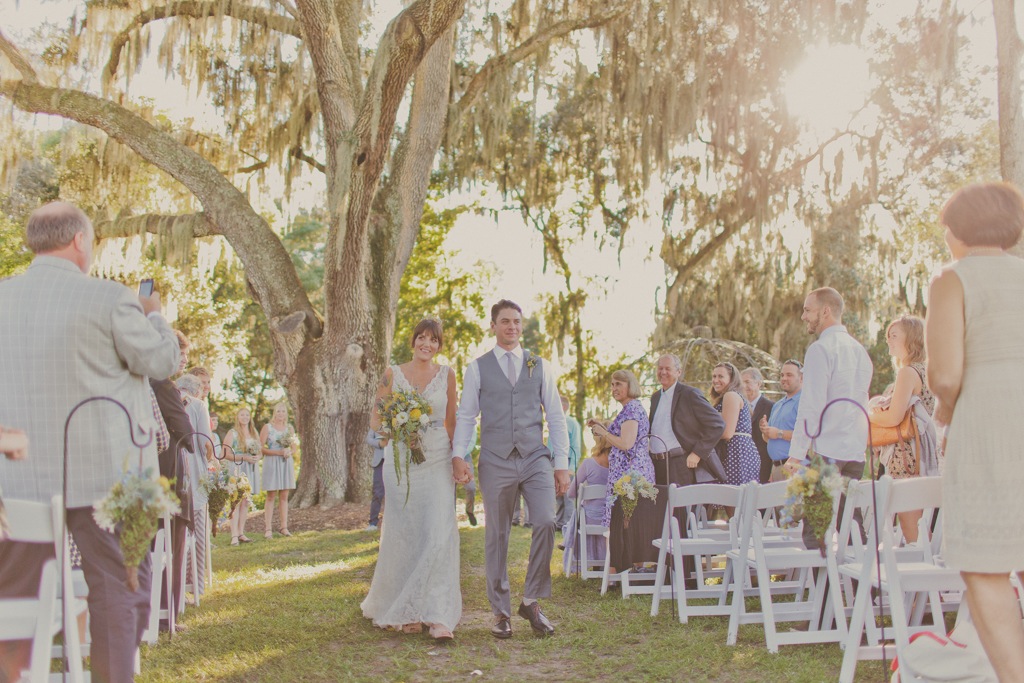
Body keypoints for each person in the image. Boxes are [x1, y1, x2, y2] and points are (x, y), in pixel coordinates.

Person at [0, 201, 180, 683]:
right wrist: (156, 316)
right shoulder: (109, 298)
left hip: (14, 482)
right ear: (80, 240)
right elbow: (161, 363)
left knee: (12, 602)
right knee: (119, 593)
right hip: (107, 478)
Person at [925, 182, 1024, 681]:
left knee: (986, 563)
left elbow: (945, 376)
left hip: (987, 423)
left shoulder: (953, 280)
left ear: (958, 230)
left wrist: (943, 413)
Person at [452, 299, 569, 639]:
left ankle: (531, 600)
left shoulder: (540, 365)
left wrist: (561, 464)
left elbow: (556, 418)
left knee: (547, 520)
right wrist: (460, 454)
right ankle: (501, 612)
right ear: (493, 326)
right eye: (505, 321)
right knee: (498, 535)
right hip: (495, 458)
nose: (512, 327)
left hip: (535, 457)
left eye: (517, 321)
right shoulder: (478, 368)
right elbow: (466, 416)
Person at [362, 317, 462, 642]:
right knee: (405, 533)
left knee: (439, 531)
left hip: (436, 458)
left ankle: (438, 616)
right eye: (421, 338)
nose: (426, 344)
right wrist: (397, 429)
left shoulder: (448, 375)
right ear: (413, 340)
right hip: (401, 459)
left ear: (439, 345)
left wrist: (459, 459)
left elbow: (450, 423)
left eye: (433, 340)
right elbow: (376, 416)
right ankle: (406, 610)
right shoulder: (392, 373)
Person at [784, 287, 873, 550]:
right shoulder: (860, 352)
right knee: (851, 526)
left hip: (826, 453)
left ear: (826, 311)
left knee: (815, 530)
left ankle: (823, 592)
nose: (803, 317)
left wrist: (796, 454)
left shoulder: (820, 350)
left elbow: (811, 406)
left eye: (808, 310)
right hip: (855, 452)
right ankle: (862, 590)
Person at [868, 316, 940, 543]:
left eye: (894, 335)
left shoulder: (908, 373)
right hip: (921, 452)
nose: (888, 340)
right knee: (918, 524)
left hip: (904, 454)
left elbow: (894, 417)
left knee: (912, 529)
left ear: (912, 338)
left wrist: (867, 417)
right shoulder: (927, 370)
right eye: (888, 335)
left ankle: (925, 573)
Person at [588, 370, 658, 573]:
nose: (614, 388)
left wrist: (604, 433)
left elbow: (626, 444)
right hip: (625, 472)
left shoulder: (632, 409)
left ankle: (628, 570)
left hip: (631, 473)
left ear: (630, 386)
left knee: (627, 522)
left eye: (619, 384)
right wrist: (602, 427)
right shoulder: (627, 410)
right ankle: (622, 570)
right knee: (624, 522)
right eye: (612, 384)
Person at [150, 329, 196, 629]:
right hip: (168, 471)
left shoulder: (144, 381)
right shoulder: (164, 386)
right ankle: (168, 613)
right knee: (171, 544)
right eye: (180, 353)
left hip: (147, 472)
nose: (184, 360)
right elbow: (187, 435)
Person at [647, 354, 726, 487]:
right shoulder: (655, 397)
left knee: (681, 508)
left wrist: (697, 453)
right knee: (661, 507)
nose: (663, 372)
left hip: (679, 463)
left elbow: (717, 424)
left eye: (668, 368)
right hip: (656, 465)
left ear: (678, 372)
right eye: (660, 368)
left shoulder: (689, 394)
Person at [177, 373, 213, 598]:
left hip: (172, 471)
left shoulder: (165, 401)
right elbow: (204, 441)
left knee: (177, 530)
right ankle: (196, 585)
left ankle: (177, 584)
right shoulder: (198, 405)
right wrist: (211, 460)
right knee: (197, 530)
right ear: (196, 391)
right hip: (194, 471)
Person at [563, 421, 610, 575]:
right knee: (583, 512)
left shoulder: (589, 464)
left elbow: (571, 493)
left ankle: (567, 542)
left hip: (590, 518)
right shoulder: (619, 465)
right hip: (611, 519)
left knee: (580, 512)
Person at [710, 362, 761, 489]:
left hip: (736, 453)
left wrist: (704, 437)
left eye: (721, 376)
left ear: (732, 379)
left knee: (734, 500)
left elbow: (727, 433)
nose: (716, 380)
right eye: (714, 376)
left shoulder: (730, 395)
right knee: (738, 502)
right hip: (739, 452)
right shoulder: (728, 397)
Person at [759, 360, 803, 482]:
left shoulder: (804, 403)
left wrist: (779, 433)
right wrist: (765, 431)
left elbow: (807, 437)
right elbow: (769, 439)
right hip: (776, 467)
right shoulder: (777, 405)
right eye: (782, 375)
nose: (784, 378)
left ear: (801, 378)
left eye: (789, 375)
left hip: (795, 468)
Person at [224, 406, 262, 544]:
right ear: (238, 418)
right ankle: (233, 535)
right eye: (242, 415)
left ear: (250, 417)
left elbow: (260, 451)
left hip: (251, 469)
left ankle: (241, 532)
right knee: (236, 501)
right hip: (237, 469)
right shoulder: (232, 433)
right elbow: (226, 454)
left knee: (245, 501)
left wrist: (257, 458)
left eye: (247, 415)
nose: (245, 417)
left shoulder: (253, 433)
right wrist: (244, 458)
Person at [261, 402, 296, 538]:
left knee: (284, 496)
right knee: (271, 496)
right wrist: (278, 453)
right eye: (278, 411)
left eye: (283, 411)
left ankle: (284, 527)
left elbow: (294, 447)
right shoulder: (267, 427)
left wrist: (289, 452)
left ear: (286, 414)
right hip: (272, 462)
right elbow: (261, 448)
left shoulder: (289, 428)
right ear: (274, 413)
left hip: (285, 463)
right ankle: (268, 529)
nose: (281, 414)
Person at [741, 367, 775, 483]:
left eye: (747, 382)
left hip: (763, 464)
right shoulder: (738, 406)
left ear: (758, 384)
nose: (744, 386)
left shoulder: (771, 407)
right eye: (741, 383)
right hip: (742, 464)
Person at [555, 395, 583, 529]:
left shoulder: (572, 423)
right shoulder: (554, 423)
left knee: (568, 496)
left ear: (564, 407)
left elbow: (576, 446)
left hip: (567, 463)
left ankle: (568, 524)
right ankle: (559, 522)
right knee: (557, 494)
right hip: (553, 462)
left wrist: (572, 467)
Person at [365, 428, 388, 532]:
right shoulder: (377, 422)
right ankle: (373, 523)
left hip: (395, 462)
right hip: (379, 462)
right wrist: (380, 443)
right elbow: (369, 439)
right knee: (377, 493)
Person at [458, 425, 479, 526]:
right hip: (448, 455)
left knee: (471, 487)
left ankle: (469, 511)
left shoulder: (466, 416)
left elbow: (472, 439)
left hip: (465, 455)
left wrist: (459, 454)